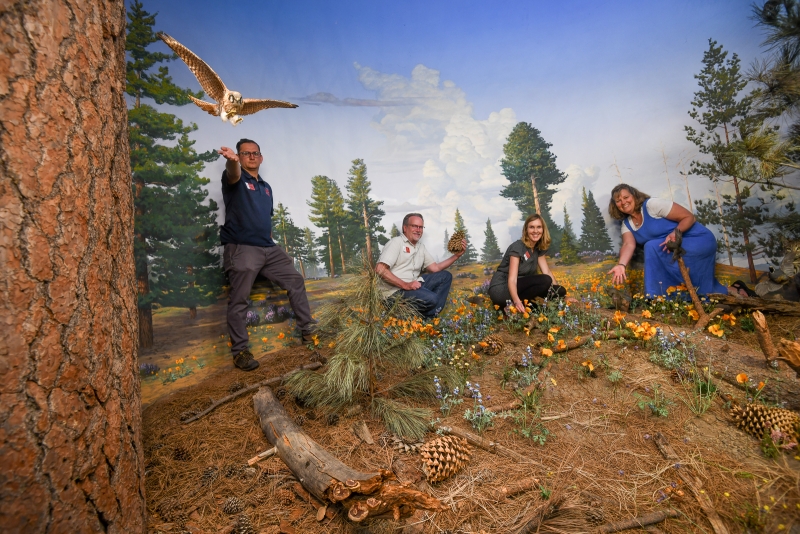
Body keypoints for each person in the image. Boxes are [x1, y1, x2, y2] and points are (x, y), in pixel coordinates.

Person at [218, 139, 316, 371]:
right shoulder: (235, 179)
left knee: (295, 280)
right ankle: (240, 352)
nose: (251, 157)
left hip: (267, 248)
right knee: (239, 299)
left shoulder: (267, 187)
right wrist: (232, 163)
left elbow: (265, 220)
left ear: (261, 158)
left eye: (255, 153)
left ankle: (309, 333)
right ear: (240, 157)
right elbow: (232, 173)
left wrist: (271, 245)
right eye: (245, 153)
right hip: (242, 247)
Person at [606, 183, 743, 297]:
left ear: (634, 196)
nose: (623, 202)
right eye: (618, 200)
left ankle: (730, 291)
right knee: (652, 246)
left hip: (697, 240)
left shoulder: (651, 205)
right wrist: (621, 265)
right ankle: (660, 299)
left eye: (626, 197)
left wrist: (674, 233)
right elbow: (628, 244)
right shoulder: (627, 223)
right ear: (615, 205)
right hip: (670, 248)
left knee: (651, 246)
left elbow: (689, 217)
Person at [376, 213, 466, 318]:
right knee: (432, 299)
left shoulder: (420, 247)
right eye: (414, 226)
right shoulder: (396, 243)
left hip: (412, 286)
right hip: (395, 292)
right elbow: (380, 269)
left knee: (445, 276)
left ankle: (427, 317)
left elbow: (435, 268)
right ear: (405, 228)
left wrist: (456, 256)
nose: (418, 230)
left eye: (420, 227)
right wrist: (406, 285)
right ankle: (421, 317)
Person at [488, 214, 566, 311]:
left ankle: (526, 305)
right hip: (502, 288)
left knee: (560, 290)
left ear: (543, 230)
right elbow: (512, 279)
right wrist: (516, 301)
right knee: (546, 280)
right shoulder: (517, 247)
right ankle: (511, 306)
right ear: (526, 230)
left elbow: (547, 272)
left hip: (521, 288)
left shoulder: (538, 248)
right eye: (531, 227)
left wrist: (563, 297)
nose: (535, 231)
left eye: (539, 227)